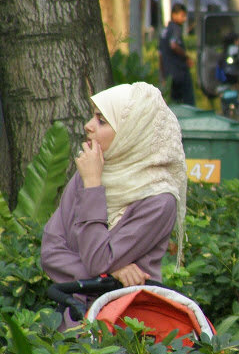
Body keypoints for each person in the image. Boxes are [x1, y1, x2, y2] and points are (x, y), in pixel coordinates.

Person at [41, 82, 187, 323]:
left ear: (131, 134)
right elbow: (50, 252)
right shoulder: (87, 175)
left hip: (127, 332)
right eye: (93, 117)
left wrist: (93, 187)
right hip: (71, 322)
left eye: (101, 120)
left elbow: (98, 259)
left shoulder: (158, 201)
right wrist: (111, 273)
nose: (88, 125)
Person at [159, 3, 195, 105]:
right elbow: (174, 45)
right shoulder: (176, 29)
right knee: (188, 103)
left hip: (169, 75)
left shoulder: (164, 31)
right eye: (182, 16)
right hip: (179, 72)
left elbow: (160, 55)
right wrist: (186, 58)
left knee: (173, 104)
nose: (184, 19)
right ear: (174, 15)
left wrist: (163, 75)